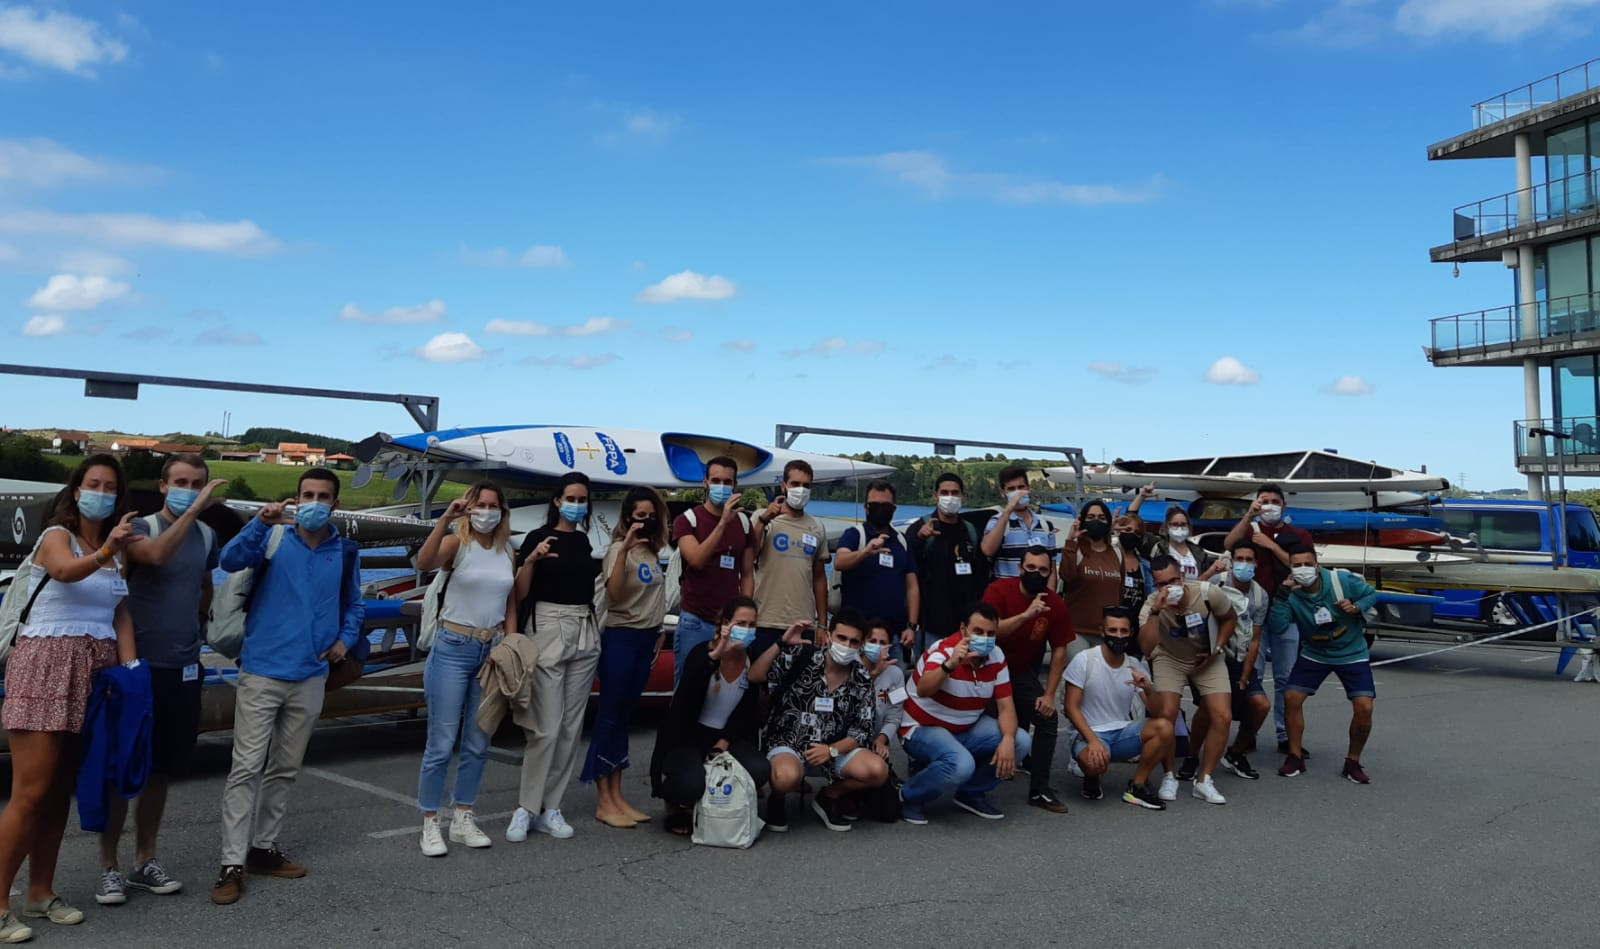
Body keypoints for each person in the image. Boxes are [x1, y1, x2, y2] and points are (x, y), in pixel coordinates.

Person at [0, 456, 140, 939]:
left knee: (60, 791)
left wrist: (132, 672)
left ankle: (40, 892)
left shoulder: (115, 549)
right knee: (30, 791)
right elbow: (62, 572)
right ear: (76, 491)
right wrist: (107, 552)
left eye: (109, 486)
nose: (100, 491)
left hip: (94, 671)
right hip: (45, 665)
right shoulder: (56, 537)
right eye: (91, 484)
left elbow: (120, 612)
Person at [211, 467, 364, 906]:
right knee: (246, 767)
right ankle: (231, 862)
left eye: (323, 496)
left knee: (285, 767)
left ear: (335, 503)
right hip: (262, 670)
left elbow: (353, 603)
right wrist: (260, 523)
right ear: (297, 498)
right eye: (307, 494)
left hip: (311, 675)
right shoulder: (274, 540)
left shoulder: (344, 550)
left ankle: (263, 848)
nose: (314, 502)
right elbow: (229, 561)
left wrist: (344, 641)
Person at [95, 455, 224, 904]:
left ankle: (143, 860)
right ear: (163, 486)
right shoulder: (140, 529)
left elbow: (205, 583)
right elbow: (153, 557)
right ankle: (108, 866)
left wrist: (198, 623)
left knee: (160, 771)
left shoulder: (207, 534)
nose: (191, 489)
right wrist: (193, 510)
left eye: (198, 483)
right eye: (182, 482)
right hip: (134, 669)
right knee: (121, 768)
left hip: (183, 667)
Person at [413, 482, 516, 857]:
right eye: (479, 505)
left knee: (478, 739)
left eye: (493, 505)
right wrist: (445, 520)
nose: (486, 512)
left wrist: (511, 641)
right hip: (454, 645)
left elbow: (509, 600)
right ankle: (429, 822)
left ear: (502, 510)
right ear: (468, 508)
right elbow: (423, 564)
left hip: (491, 648)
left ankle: (464, 816)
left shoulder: (507, 550)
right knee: (441, 741)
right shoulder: (458, 543)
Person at [508, 472, 603, 842]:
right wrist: (531, 560)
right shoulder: (537, 537)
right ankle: (526, 807)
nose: (577, 504)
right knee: (545, 726)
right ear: (557, 500)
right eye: (571, 497)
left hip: (584, 627)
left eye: (583, 498)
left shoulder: (583, 541)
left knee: (570, 726)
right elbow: (518, 593)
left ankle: (553, 807)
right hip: (547, 626)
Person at [750, 609, 888, 832]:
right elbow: (755, 676)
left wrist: (831, 750)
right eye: (842, 638)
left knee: (876, 770)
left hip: (834, 748)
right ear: (830, 636)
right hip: (789, 742)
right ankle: (778, 797)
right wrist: (781, 642)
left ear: (861, 644)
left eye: (854, 641)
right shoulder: (801, 655)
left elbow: (862, 729)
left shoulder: (862, 677)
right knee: (787, 777)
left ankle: (829, 796)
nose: (847, 646)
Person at [898, 602, 1033, 824]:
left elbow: (1006, 706)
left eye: (991, 633)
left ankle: (970, 793)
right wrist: (950, 665)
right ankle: (908, 796)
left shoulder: (996, 656)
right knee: (961, 764)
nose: (985, 638)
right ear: (963, 630)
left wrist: (1008, 739)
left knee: (1021, 741)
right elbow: (923, 689)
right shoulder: (941, 652)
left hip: (966, 727)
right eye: (978, 632)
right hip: (921, 728)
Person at [582, 487, 670, 828]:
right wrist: (624, 551)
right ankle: (603, 799)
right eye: (639, 516)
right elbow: (615, 595)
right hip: (621, 638)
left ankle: (618, 795)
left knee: (625, 719)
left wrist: (659, 628)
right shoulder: (620, 549)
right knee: (609, 716)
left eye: (651, 517)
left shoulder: (652, 552)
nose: (645, 522)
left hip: (646, 639)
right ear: (627, 517)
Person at [649, 597, 770, 835]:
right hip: (688, 737)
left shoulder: (752, 659)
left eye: (752, 625)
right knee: (690, 784)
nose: (746, 630)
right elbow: (684, 699)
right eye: (741, 623)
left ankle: (720, 801)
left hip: (727, 737)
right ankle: (675, 804)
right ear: (726, 623)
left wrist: (725, 739)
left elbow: (748, 713)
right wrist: (716, 655)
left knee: (760, 769)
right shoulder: (701, 653)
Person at [1270, 546, 1379, 784]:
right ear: (1290, 569)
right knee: (1292, 697)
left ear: (1317, 566)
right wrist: (1280, 597)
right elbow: (1278, 627)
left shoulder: (1340, 579)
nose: (1303, 569)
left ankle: (1352, 762)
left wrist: (1356, 606)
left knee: (1364, 707)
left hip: (1352, 651)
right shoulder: (1289, 593)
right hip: (1315, 652)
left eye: (1308, 564)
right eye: (1297, 565)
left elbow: (1371, 594)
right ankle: (1294, 756)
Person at [1137, 555, 1237, 806]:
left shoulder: (1206, 592)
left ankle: (1204, 779)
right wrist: (1158, 611)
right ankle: (1169, 775)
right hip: (1169, 658)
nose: (1169, 587)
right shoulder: (1151, 605)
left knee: (1222, 715)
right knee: (1167, 714)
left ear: (1182, 576)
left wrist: (1217, 648)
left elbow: (1229, 618)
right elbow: (1146, 647)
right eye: (1162, 584)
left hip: (1207, 657)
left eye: (1173, 580)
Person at [1223, 484, 1313, 756]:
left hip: (1287, 613)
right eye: (1265, 501)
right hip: (1253, 614)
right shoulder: (1249, 531)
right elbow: (1229, 545)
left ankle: (1285, 735)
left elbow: (1304, 567)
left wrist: (1270, 546)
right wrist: (1247, 517)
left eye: (1275, 501)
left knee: (1286, 677)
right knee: (1254, 675)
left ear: (1284, 506)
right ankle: (1249, 732)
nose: (1270, 505)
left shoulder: (1298, 535)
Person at [983, 546, 1074, 813]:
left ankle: (1040, 789)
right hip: (986, 667)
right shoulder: (998, 591)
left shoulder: (1055, 603)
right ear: (1020, 569)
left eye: (1043, 570)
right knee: (984, 725)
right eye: (1031, 568)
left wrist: (1049, 694)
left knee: (1047, 718)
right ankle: (974, 781)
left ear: (1049, 573)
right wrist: (1026, 616)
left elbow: (1059, 649)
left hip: (1020, 672)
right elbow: (989, 632)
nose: (1036, 573)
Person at [1063, 607, 1171, 810]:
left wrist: (1148, 689)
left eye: (1123, 631)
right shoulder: (1085, 659)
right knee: (1095, 762)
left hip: (1121, 733)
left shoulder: (1134, 665)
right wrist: (1093, 741)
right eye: (1113, 630)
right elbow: (1070, 707)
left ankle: (1137, 786)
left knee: (1164, 727)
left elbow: (1159, 713)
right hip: (1090, 735)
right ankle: (1091, 778)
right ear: (1102, 631)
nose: (1118, 636)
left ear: (1130, 633)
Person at [669, 456, 754, 686]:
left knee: (721, 687)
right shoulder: (688, 520)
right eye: (716, 480)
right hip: (695, 621)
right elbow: (696, 560)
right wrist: (722, 523)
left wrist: (744, 616)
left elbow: (747, 573)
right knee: (688, 687)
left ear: (735, 485)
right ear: (705, 482)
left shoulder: (744, 524)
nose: (722, 487)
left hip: (728, 624)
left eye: (728, 482)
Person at [1204, 542, 1272, 782]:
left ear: (1255, 563)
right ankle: (1193, 758)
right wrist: (1210, 572)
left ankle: (1236, 752)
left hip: (1240, 656)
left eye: (1249, 559)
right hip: (1214, 655)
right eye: (1240, 558)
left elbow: (1255, 638)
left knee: (1261, 705)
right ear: (1233, 561)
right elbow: (1192, 594)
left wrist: (1245, 675)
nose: (1244, 563)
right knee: (1208, 709)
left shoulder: (1260, 595)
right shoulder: (1217, 582)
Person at [751, 460, 829, 656]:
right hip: (764, 619)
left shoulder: (817, 527)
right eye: (795, 484)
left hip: (803, 623)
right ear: (783, 486)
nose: (800, 490)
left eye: (806, 486)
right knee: (760, 681)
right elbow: (748, 558)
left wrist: (822, 624)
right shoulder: (762, 518)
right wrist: (763, 519)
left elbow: (819, 577)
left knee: (799, 684)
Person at [832, 480, 919, 650]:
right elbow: (840, 562)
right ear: (866, 508)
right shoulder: (855, 535)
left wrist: (912, 626)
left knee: (894, 675)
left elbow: (912, 587)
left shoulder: (902, 541)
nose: (880, 509)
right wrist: (866, 551)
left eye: (885, 506)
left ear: (893, 509)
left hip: (893, 635)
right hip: (856, 634)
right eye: (875, 505)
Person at [905, 473, 983, 658]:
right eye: (945, 492)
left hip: (964, 626)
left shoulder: (970, 531)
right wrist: (919, 539)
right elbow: (907, 571)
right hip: (929, 626)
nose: (950, 497)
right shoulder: (919, 528)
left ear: (963, 496)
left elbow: (980, 576)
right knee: (929, 677)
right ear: (935, 495)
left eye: (955, 493)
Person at [1059, 499, 1140, 655]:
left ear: (1108, 523)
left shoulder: (1117, 554)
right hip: (1077, 632)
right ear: (1082, 521)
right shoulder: (1076, 550)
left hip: (1108, 634)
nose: (1096, 521)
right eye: (1091, 517)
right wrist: (1070, 541)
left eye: (1101, 518)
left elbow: (1120, 591)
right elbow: (1066, 576)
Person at [980, 466, 1056, 580]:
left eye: (1021, 487)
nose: (1017, 493)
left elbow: (1052, 568)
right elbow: (987, 550)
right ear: (1003, 492)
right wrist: (1007, 511)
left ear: (1028, 488)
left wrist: (1049, 596)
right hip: (1006, 593)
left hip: (1037, 593)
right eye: (1011, 489)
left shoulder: (1046, 524)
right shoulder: (996, 521)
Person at [1131, 497, 1223, 583]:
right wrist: (1141, 496)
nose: (1179, 528)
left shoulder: (1199, 553)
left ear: (1189, 527)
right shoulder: (1157, 546)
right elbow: (1132, 525)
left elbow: (1205, 583)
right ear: (1167, 527)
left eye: (1183, 524)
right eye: (1175, 524)